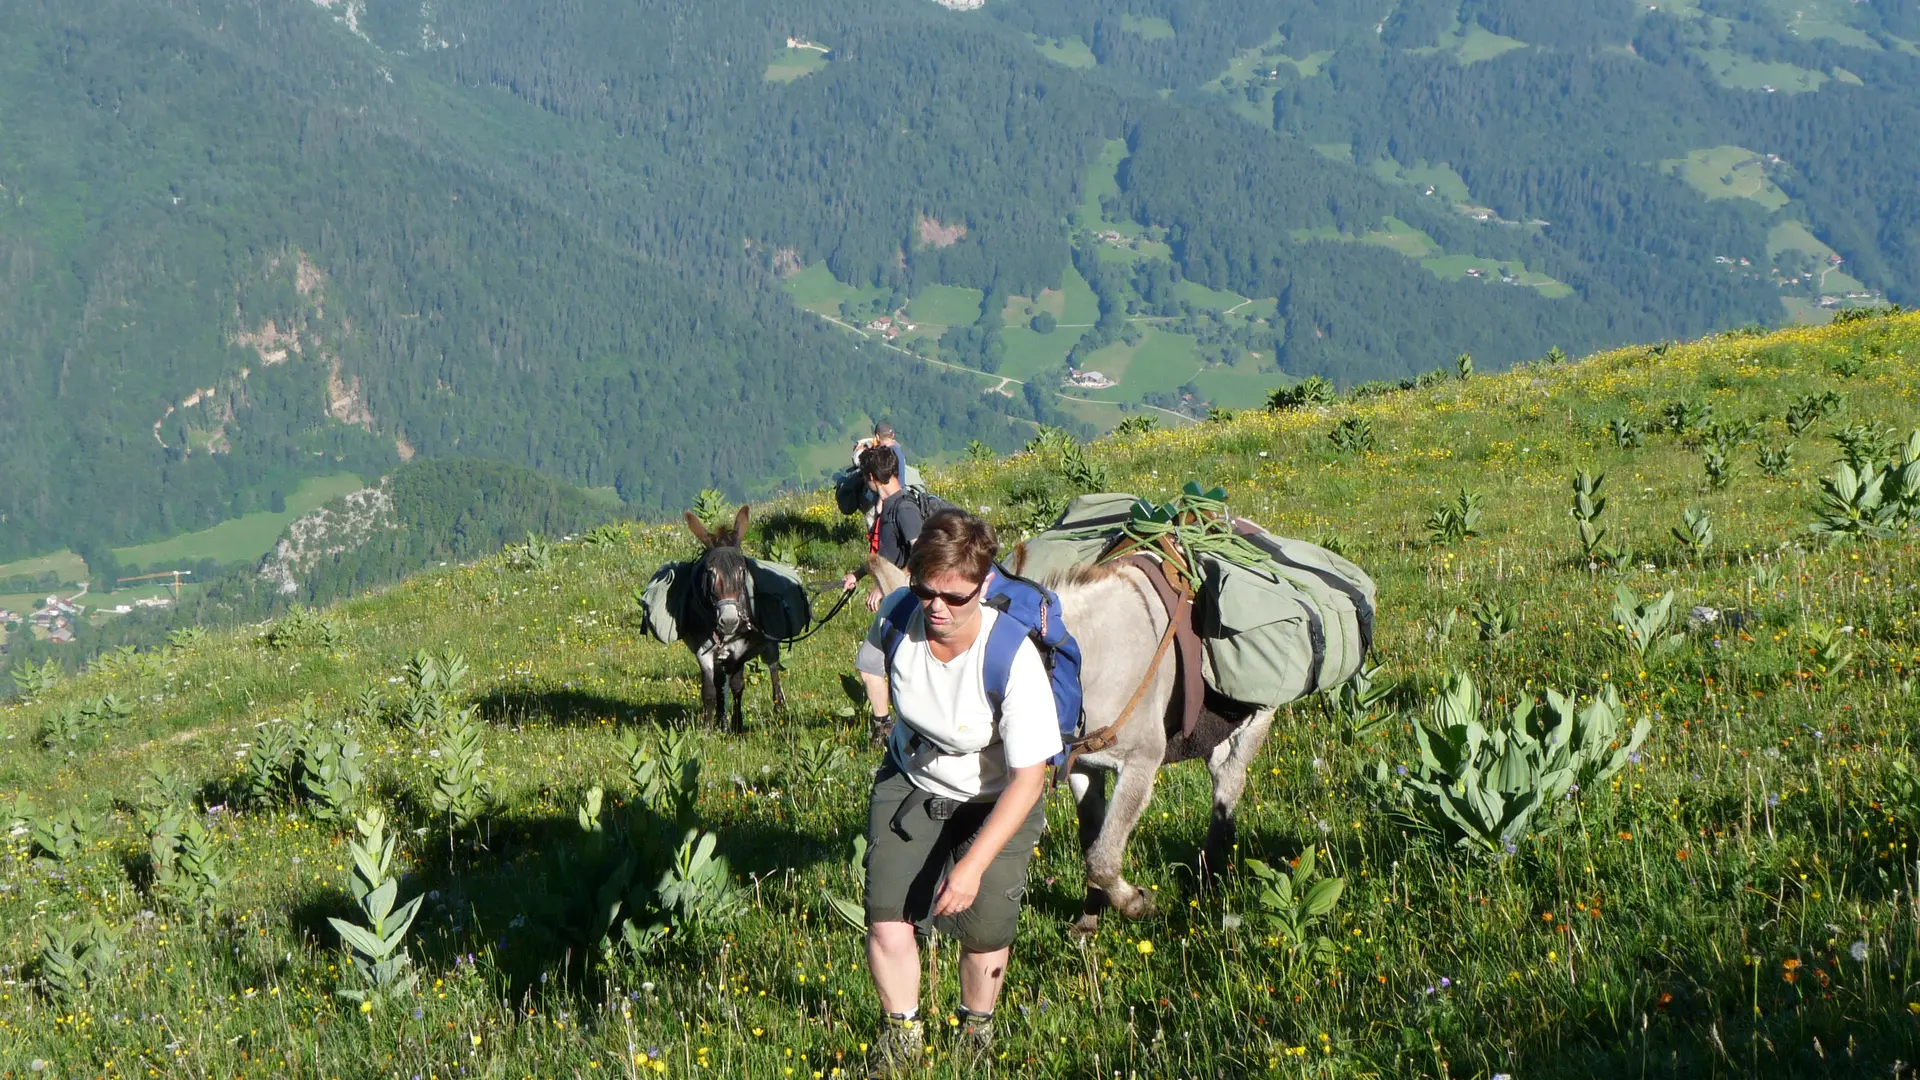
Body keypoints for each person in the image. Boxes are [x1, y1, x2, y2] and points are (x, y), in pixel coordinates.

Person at [853, 511, 1060, 1078]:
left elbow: (1028, 780)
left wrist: (969, 867)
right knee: (887, 916)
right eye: (925, 591)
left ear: (983, 585)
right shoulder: (899, 617)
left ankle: (976, 1030)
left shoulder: (1011, 657)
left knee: (985, 929)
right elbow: (873, 664)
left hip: (996, 798)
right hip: (912, 779)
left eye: (955, 596)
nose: (937, 607)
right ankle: (903, 1037)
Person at [841, 445, 924, 612]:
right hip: (895, 599)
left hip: (910, 602)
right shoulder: (886, 506)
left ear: (871, 476)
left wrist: (884, 586)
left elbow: (922, 554)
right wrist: (856, 575)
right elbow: (887, 555)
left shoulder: (904, 509)